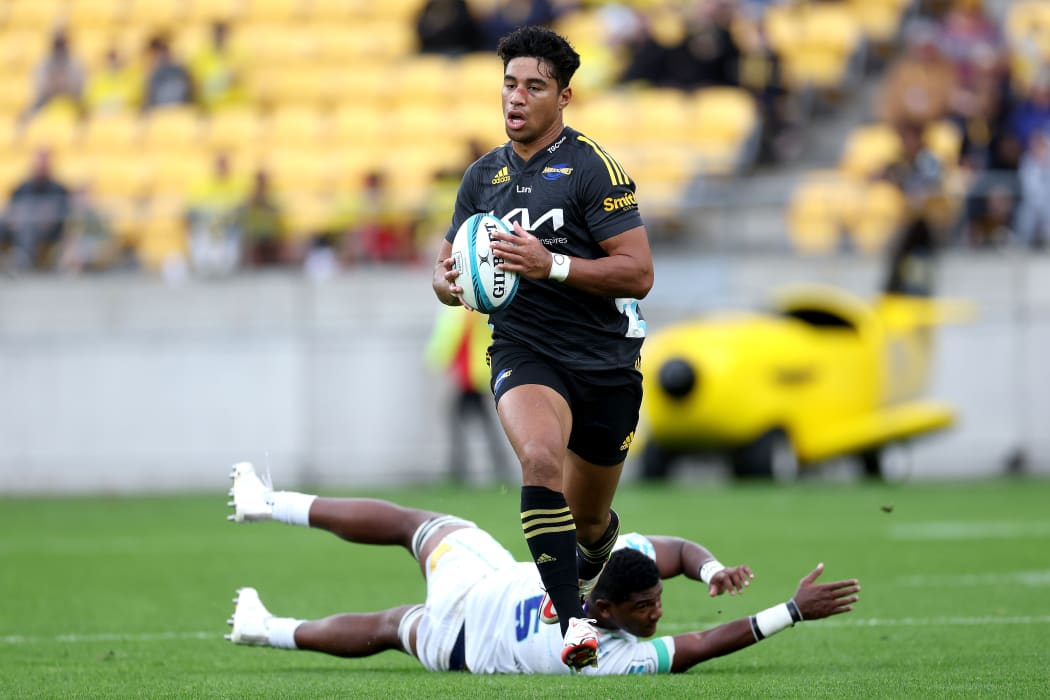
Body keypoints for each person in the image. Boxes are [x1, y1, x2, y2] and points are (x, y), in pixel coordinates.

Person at [430, 26, 655, 670]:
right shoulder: (482, 176)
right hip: (525, 349)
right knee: (536, 458)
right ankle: (575, 623)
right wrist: (448, 283)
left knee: (589, 526)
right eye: (509, 85)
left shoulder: (592, 168)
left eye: (534, 86)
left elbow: (637, 272)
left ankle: (590, 562)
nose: (516, 98)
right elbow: (450, 268)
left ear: (564, 97)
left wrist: (550, 265)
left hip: (606, 362)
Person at [224, 462, 860, 674]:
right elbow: (699, 645)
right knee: (391, 626)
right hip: (458, 645)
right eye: (647, 608)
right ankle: (263, 627)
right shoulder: (602, 654)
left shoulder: (605, 578)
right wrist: (792, 611)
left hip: (478, 593)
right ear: (603, 611)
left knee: (413, 526)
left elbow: (676, 560)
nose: (660, 610)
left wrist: (707, 568)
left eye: (657, 602)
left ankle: (267, 505)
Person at [424, 305, 513, 483]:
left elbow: (451, 339)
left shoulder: (464, 311)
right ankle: (496, 469)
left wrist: (436, 361)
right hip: (471, 376)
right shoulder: (471, 310)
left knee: (461, 424)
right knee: (481, 425)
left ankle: (459, 470)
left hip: (469, 377)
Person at [0, 148, 71, 271]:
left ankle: (21, 261)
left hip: (47, 230)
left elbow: (61, 215)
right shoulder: (23, 187)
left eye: (44, 162)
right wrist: (14, 219)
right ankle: (15, 258)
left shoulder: (59, 189)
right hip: (19, 226)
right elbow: (12, 209)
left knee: (29, 226)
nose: (41, 166)